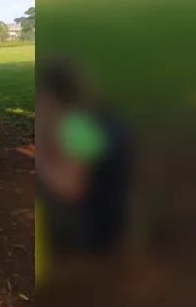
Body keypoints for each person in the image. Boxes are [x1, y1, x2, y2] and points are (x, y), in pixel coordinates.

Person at [35, 59, 131, 255]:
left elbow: (70, 187)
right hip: (111, 213)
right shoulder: (92, 117)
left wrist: (40, 158)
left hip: (94, 230)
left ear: (51, 96)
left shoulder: (76, 126)